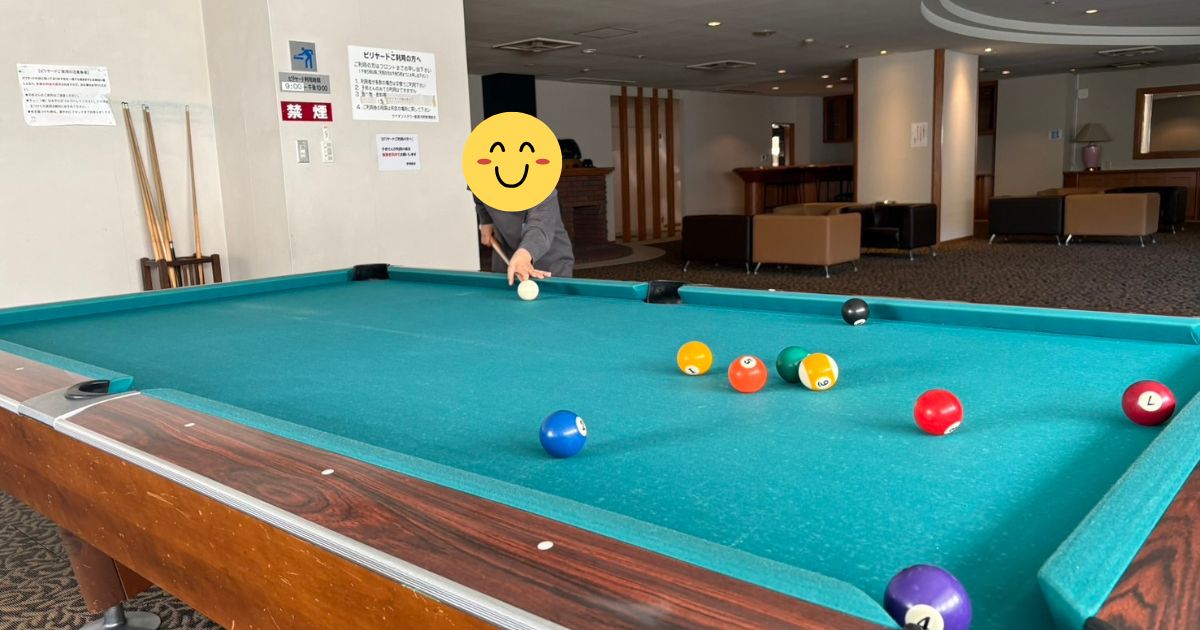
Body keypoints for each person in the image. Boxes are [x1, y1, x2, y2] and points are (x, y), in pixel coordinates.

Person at [476, 190, 575, 284]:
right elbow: (477, 192)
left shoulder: (542, 183)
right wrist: (486, 221)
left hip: (549, 261)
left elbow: (539, 224)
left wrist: (524, 253)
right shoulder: (478, 179)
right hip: (506, 256)